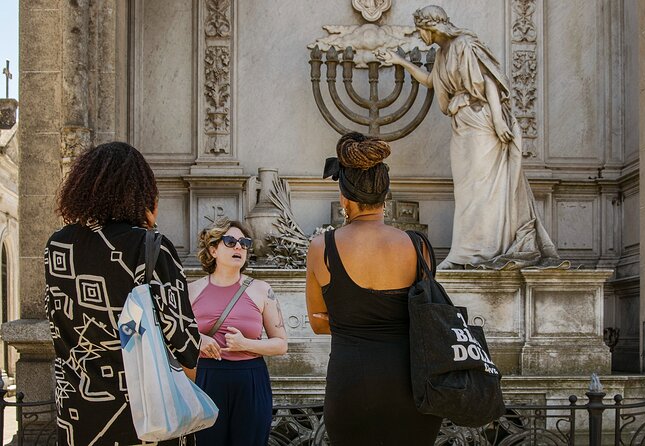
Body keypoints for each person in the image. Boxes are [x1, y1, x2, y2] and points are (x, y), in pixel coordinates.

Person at [376, 5, 561, 269]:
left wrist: (498, 119)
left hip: (480, 120)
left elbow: (489, 82)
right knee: (466, 190)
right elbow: (431, 82)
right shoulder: (442, 53)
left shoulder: (464, 44)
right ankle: (465, 251)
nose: (420, 36)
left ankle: (480, 251)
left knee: (481, 188)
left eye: (420, 30)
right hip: (462, 123)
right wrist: (400, 62)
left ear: (431, 26)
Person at [44, 142, 201, 446]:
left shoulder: (57, 246)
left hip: (79, 410)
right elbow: (186, 343)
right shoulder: (150, 247)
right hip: (146, 415)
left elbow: (58, 325)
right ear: (141, 192)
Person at [305, 132, 442, 446]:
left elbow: (316, 321)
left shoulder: (321, 248)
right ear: (386, 195)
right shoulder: (416, 245)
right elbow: (427, 313)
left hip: (350, 384)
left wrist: (351, 324)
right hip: (414, 385)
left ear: (344, 198)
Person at [189, 219, 288, 446]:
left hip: (250, 378)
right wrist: (198, 339)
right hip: (207, 377)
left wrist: (246, 344)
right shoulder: (192, 291)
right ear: (213, 250)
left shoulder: (262, 290)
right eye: (230, 241)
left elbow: (281, 344)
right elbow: (175, 337)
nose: (239, 247)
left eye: (244, 243)